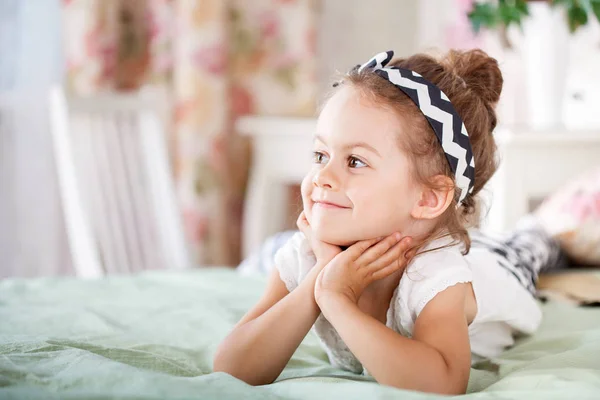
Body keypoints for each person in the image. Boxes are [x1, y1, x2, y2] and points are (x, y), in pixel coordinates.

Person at [214, 49, 544, 395]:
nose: (322, 176)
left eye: (355, 161)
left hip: (501, 266)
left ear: (427, 198)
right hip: (457, 247)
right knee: (277, 247)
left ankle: (545, 231)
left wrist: (337, 299)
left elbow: (444, 383)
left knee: (528, 244)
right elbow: (232, 367)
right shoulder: (308, 255)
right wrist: (321, 277)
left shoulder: (436, 274)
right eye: (320, 155)